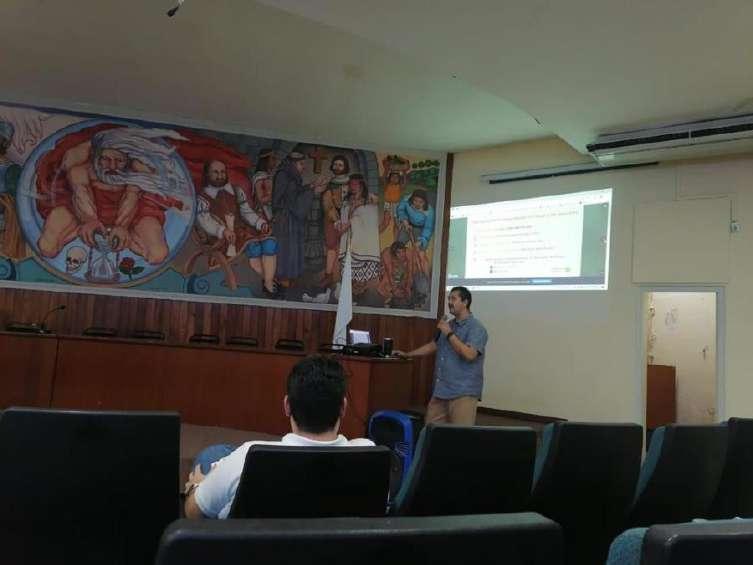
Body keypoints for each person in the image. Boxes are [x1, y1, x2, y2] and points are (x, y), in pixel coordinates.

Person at [184, 355, 374, 519]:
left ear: (287, 405)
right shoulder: (369, 454)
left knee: (212, 455)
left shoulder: (248, 456)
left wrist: (196, 486)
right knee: (221, 453)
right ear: (343, 407)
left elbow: (193, 514)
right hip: (337, 548)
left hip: (253, 547)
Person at [37, 127, 189, 263]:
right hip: (80, 214)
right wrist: (90, 221)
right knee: (47, 247)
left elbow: (130, 199)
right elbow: (81, 194)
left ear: (128, 160)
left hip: (131, 218)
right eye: (106, 159)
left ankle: (125, 239)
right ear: (96, 156)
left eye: (119, 161)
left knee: (158, 254)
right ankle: (83, 232)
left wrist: (122, 227)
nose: (112, 166)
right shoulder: (80, 170)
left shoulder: (134, 172)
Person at [395, 286, 488, 425]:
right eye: (449, 299)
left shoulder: (476, 328)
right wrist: (408, 354)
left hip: (463, 392)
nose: (449, 302)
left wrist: (449, 333)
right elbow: (434, 345)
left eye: (453, 299)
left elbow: (470, 355)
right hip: (441, 390)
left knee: (460, 434)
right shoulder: (449, 325)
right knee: (431, 432)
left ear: (465, 302)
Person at [272, 152, 327, 287]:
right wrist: (313, 192)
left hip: (291, 218)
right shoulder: (283, 176)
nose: (304, 167)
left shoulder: (290, 175)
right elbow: (292, 201)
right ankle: (283, 278)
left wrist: (311, 185)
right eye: (301, 164)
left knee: (292, 248)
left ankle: (289, 277)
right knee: (286, 249)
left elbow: (295, 192)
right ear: (292, 164)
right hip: (286, 220)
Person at [320, 154, 350, 286]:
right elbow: (327, 202)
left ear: (345, 167)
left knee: (346, 248)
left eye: (340, 165)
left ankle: (345, 278)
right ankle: (329, 275)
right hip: (331, 220)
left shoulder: (351, 183)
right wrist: (335, 218)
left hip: (348, 219)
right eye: (335, 164)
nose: (337, 167)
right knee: (331, 246)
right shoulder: (329, 184)